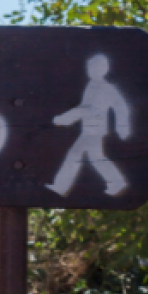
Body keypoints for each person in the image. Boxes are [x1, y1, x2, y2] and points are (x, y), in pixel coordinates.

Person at [46, 53, 132, 197]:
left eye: (94, 67)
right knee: (93, 157)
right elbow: (84, 109)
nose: (90, 70)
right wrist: (65, 118)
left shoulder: (105, 88)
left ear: (103, 69)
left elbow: (119, 106)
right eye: (89, 67)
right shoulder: (91, 86)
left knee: (78, 155)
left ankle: (60, 187)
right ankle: (116, 182)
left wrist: (122, 127)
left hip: (95, 129)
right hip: (89, 129)